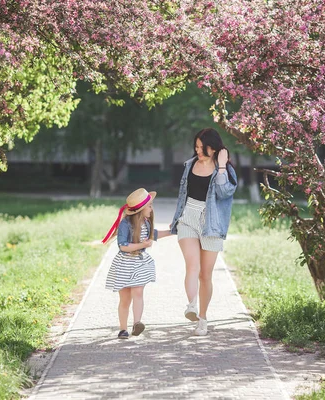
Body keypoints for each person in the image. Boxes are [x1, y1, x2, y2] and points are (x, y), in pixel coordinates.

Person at [170, 128, 238, 336]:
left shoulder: (224, 169)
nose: (198, 151)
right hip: (188, 217)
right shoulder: (190, 165)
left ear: (214, 147)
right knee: (193, 266)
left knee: (205, 275)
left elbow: (224, 192)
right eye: (196, 147)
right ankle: (191, 305)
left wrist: (222, 167)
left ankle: (203, 317)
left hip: (212, 222)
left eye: (202, 147)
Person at [102, 188, 171, 339]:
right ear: (141, 209)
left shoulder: (146, 223)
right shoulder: (125, 224)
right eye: (150, 206)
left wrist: (172, 231)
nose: (152, 209)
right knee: (125, 299)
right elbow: (123, 246)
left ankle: (137, 323)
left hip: (140, 264)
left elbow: (154, 235)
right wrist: (143, 245)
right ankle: (122, 329)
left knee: (138, 292)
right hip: (125, 264)